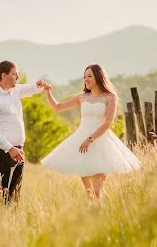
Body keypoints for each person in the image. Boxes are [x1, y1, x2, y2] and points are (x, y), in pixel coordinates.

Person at [40, 64, 141, 199]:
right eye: (84, 77)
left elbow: (108, 123)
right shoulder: (82, 97)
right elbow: (58, 107)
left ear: (98, 77)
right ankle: (96, 216)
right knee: (89, 193)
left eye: (89, 76)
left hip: (99, 142)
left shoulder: (110, 97)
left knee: (97, 192)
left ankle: (104, 212)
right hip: (81, 142)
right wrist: (48, 92)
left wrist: (90, 139)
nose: (86, 79)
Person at [0, 60, 47, 204]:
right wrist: (9, 148)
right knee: (2, 194)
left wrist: (39, 86)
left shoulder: (15, 90)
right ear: (4, 75)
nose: (17, 77)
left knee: (15, 195)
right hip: (2, 152)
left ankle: (14, 223)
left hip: (18, 151)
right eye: (14, 74)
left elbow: (30, 88)